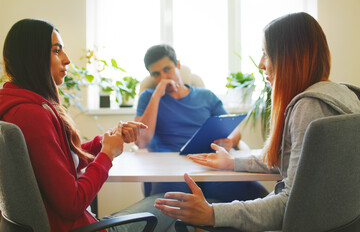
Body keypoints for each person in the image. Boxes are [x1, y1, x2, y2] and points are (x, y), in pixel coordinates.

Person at [154, 12, 360, 231]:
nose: (261, 64)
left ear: (289, 57)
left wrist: (212, 213)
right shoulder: (345, 94)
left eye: (266, 53)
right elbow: (297, 163)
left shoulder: (309, 107)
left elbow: (290, 204)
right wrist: (232, 163)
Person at [0, 18, 147, 232]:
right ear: (33, 57)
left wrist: (103, 142)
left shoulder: (15, 106)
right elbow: (72, 203)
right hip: (75, 227)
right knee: (167, 206)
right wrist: (107, 154)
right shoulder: (31, 115)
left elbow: (58, 163)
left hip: (71, 224)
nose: (67, 60)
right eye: (57, 51)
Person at [134, 44, 268, 201]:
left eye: (167, 69)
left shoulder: (206, 96)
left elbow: (234, 129)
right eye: (156, 74)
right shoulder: (148, 97)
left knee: (258, 195)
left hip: (209, 163)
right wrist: (157, 94)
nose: (163, 77)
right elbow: (142, 140)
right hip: (171, 168)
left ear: (177, 65)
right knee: (171, 202)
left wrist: (229, 140)